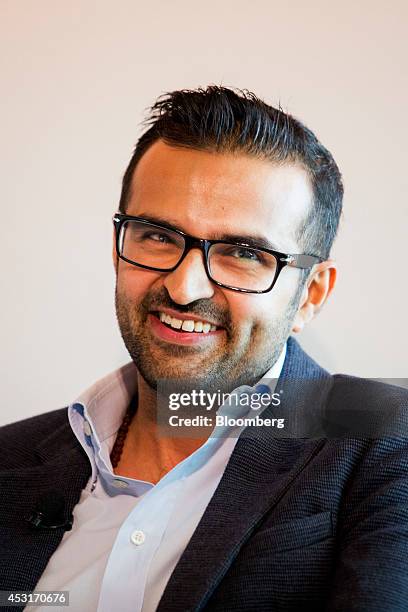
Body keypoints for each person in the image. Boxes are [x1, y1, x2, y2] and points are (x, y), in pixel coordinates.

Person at [0, 86, 407, 612]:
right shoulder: (8, 458)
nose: (184, 287)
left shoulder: (385, 444)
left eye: (243, 253)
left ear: (310, 294)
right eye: (158, 236)